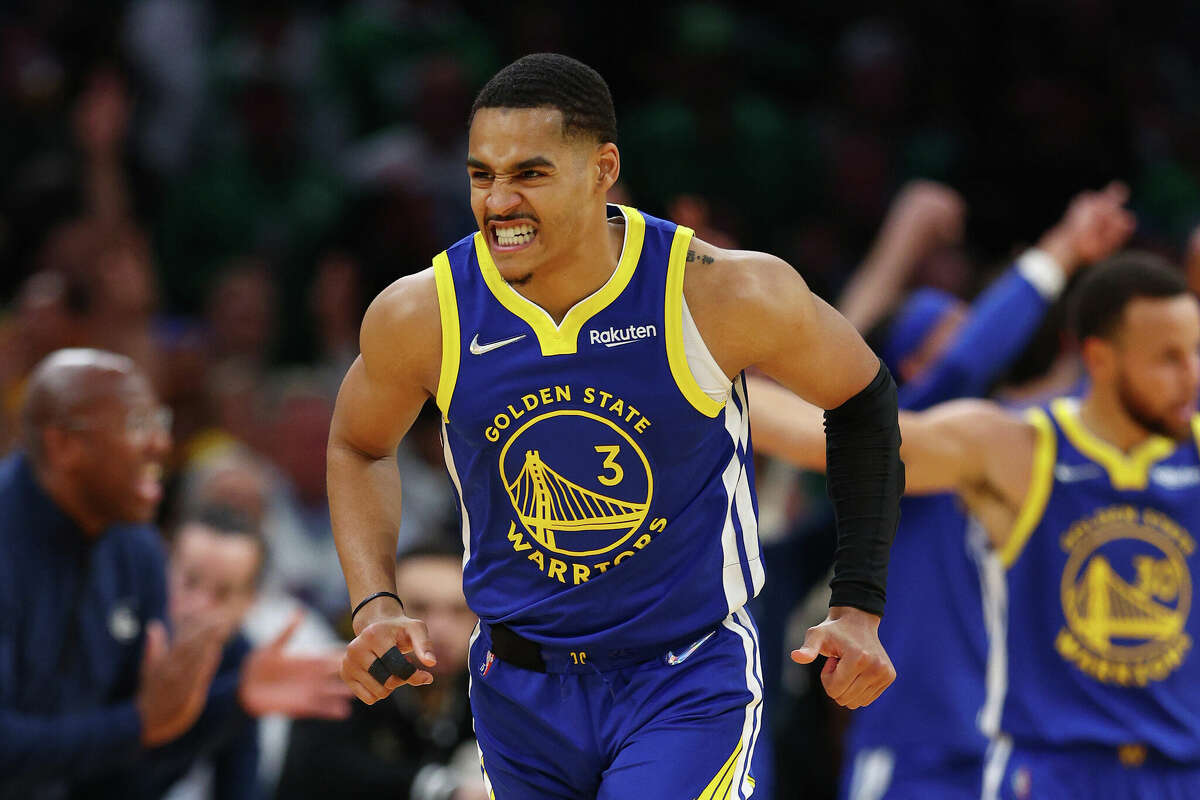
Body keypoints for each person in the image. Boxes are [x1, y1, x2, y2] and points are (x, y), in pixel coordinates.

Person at [328, 52, 903, 798]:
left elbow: (860, 398)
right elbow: (357, 442)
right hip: (517, 688)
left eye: (529, 174)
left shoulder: (717, 291)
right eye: (480, 175)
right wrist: (375, 602)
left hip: (684, 682)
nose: (498, 201)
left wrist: (858, 605)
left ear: (603, 169)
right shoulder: (423, 312)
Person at [749, 253, 1200, 799]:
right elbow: (826, 438)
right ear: (1101, 360)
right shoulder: (1020, 450)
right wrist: (692, 377)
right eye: (1170, 359)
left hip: (1180, 771)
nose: (1192, 376)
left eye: (1196, 354)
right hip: (1047, 772)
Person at [0, 348, 225, 798]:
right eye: (137, 426)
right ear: (64, 446)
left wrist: (235, 702)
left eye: (158, 422)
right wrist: (139, 725)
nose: (161, 444)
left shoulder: (136, 547)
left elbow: (126, 774)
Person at [150, 506, 352, 800]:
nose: (199, 607)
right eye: (189, 582)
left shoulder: (242, 657)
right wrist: (234, 699)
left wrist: (238, 699)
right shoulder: (127, 638)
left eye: (223, 593)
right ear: (162, 571)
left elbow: (239, 785)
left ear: (251, 601)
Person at [276, 539, 487, 800]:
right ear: (386, 614)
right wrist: (444, 790)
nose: (441, 629)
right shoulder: (341, 678)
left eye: (458, 611)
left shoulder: (485, 687)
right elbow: (323, 772)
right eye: (421, 608)